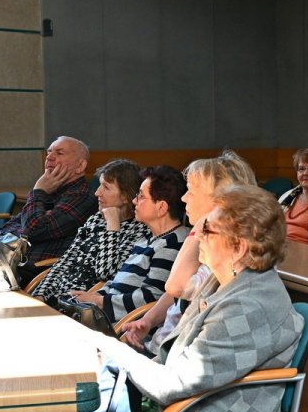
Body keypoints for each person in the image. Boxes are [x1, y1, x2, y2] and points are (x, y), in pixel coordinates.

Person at [75, 185, 304, 412]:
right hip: (198, 403)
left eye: (207, 229)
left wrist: (113, 349)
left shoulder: (247, 305)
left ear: (239, 247)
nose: (195, 232)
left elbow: (173, 386)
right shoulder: (227, 279)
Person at [120, 150, 257, 355]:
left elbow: (175, 286)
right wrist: (147, 321)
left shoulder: (226, 254)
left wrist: (201, 224)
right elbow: (174, 294)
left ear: (221, 200)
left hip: (172, 359)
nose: (183, 198)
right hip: (160, 348)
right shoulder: (209, 242)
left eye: (191, 192)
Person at [69, 166, 188, 324]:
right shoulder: (146, 239)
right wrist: (94, 296)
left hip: (125, 326)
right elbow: (117, 282)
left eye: (141, 196)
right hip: (109, 317)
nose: (134, 201)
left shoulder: (173, 243)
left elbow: (151, 297)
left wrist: (99, 301)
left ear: (161, 207)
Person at [31, 159, 149, 301]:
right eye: (100, 185)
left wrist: (112, 226)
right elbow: (65, 261)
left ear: (125, 196)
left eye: (106, 187)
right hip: (57, 296)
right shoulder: (95, 220)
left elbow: (107, 273)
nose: (97, 193)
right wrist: (40, 294)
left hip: (83, 303)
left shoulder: (139, 230)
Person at [0, 135, 97, 285]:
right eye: (49, 153)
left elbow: (32, 229)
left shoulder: (82, 196)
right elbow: (10, 227)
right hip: (7, 265)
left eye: (59, 153)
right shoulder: (51, 190)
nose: (49, 158)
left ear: (80, 166)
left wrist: (38, 191)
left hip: (35, 274)